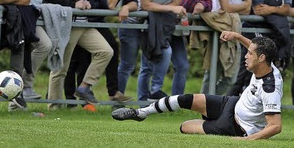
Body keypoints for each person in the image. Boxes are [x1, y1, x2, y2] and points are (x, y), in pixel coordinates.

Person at [112, 31, 283, 140]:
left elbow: (275, 126)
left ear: (261, 58)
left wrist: (248, 141)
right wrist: (237, 37)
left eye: (250, 54)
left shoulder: (270, 88)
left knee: (184, 127)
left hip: (236, 127)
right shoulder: (266, 62)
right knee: (186, 98)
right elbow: (254, 47)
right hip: (231, 103)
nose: (246, 56)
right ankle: (141, 113)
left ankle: (211, 121)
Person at [44, 0, 113, 108]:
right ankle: (53, 106)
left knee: (106, 51)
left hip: (84, 23)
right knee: (61, 67)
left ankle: (83, 87)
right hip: (68, 22)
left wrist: (89, 2)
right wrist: (73, 4)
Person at [227, 0, 293, 96]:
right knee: (245, 69)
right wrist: (278, 9)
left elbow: (287, 9)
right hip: (253, 27)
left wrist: (270, 9)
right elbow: (258, 10)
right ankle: (228, 101)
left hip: (273, 30)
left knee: (264, 69)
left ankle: (254, 101)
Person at [200, 0, 253, 95]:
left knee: (231, 76)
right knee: (213, 72)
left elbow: (248, 9)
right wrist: (240, 5)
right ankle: (203, 104)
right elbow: (226, 8)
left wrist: (236, 6)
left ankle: (212, 101)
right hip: (219, 29)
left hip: (236, 31)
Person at [136, 0, 186, 101]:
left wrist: (168, 8)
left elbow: (176, 4)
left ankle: (155, 90)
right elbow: (145, 5)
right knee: (146, 64)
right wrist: (169, 9)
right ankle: (142, 100)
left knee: (166, 53)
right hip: (145, 21)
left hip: (165, 23)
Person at [64, 0, 107, 102]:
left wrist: (90, 4)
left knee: (104, 53)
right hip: (72, 21)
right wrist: (75, 5)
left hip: (88, 23)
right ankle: (59, 101)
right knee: (66, 65)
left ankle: (83, 90)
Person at [93, 0, 138, 103]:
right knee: (80, 60)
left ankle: (113, 92)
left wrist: (126, 7)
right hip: (87, 19)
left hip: (99, 21)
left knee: (113, 47)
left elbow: (134, 2)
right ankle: (72, 99)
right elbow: (111, 5)